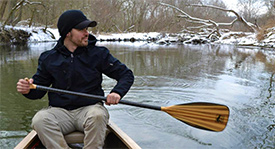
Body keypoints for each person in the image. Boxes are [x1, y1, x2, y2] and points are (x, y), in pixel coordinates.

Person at [16, 10, 134, 149]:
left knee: (97, 115)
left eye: (87, 29)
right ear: (68, 33)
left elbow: (126, 75)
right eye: (81, 29)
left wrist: (117, 92)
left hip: (89, 109)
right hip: (60, 112)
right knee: (40, 119)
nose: (87, 33)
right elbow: (38, 90)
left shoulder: (99, 54)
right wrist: (27, 90)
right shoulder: (49, 58)